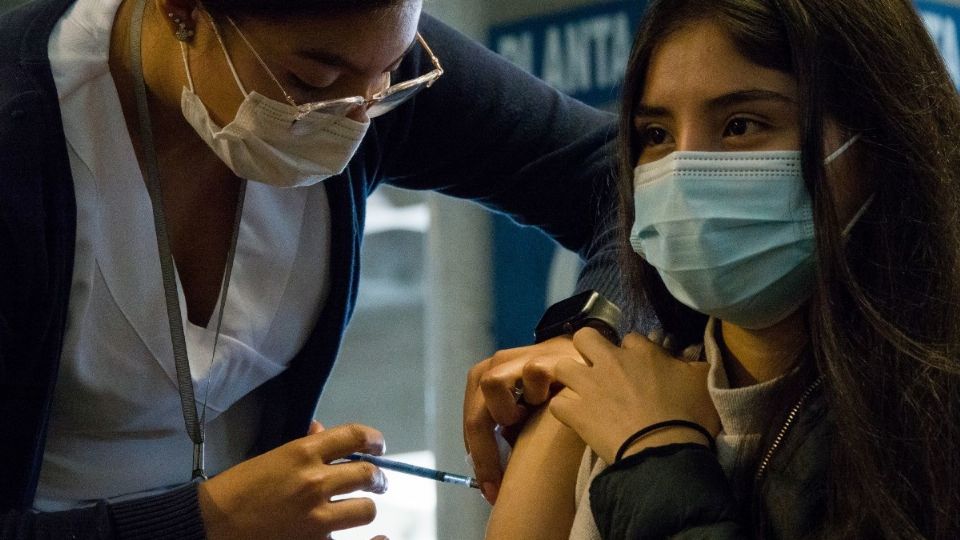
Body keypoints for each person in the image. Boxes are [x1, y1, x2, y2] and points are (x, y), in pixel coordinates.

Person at [0, 0, 625, 537]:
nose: (356, 121)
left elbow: (617, 177)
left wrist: (583, 339)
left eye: (390, 77)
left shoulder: (357, 51)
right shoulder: (22, 137)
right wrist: (209, 521)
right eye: (310, 80)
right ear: (182, 10)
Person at [480, 0, 960, 537]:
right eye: (656, 135)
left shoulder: (932, 428)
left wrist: (657, 451)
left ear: (875, 144)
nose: (683, 174)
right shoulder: (587, 413)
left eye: (740, 125)